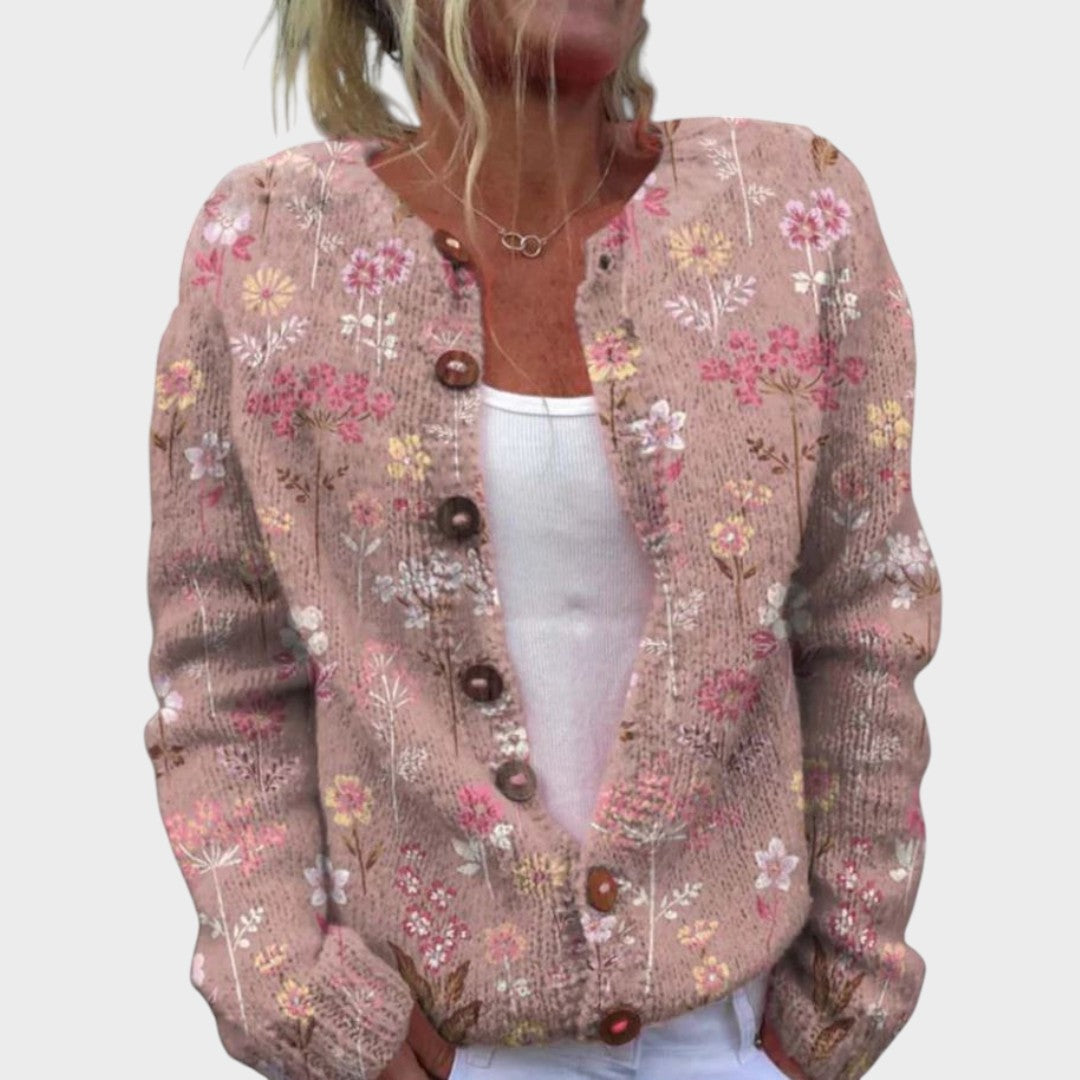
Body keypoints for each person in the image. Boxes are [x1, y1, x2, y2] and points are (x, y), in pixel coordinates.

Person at [143, 2, 940, 1079]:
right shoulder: (271, 244)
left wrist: (838, 1006)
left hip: (732, 1037)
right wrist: (297, 996)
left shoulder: (787, 212)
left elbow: (863, 615)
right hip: (429, 1043)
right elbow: (223, 667)